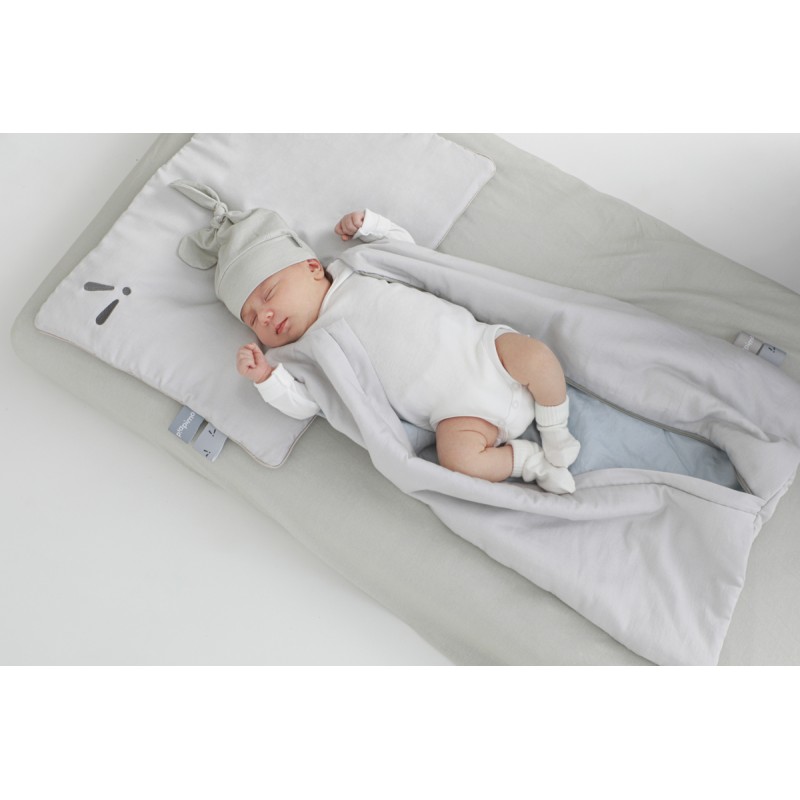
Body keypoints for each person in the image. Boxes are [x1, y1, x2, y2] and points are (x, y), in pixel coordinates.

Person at [172, 181, 581, 494]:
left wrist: (373, 226)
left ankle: (556, 432)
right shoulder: (301, 354)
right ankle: (530, 463)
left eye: (269, 294)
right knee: (457, 461)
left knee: (537, 357)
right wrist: (267, 379)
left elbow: (410, 259)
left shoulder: (357, 269)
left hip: (486, 353)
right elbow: (308, 404)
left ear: (312, 268)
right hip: (457, 416)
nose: (265, 315)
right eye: (251, 318)